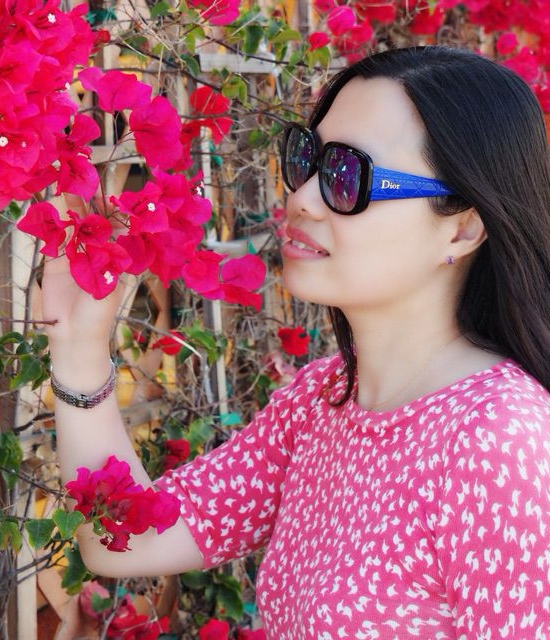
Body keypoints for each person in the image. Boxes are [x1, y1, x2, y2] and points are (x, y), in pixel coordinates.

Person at [43, 46, 550, 639]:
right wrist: (78, 348)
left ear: (462, 228)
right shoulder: (324, 399)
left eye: (347, 175)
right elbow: (129, 538)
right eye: (307, 159)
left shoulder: (498, 444)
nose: (302, 198)